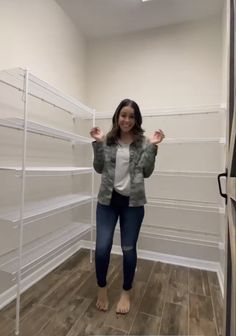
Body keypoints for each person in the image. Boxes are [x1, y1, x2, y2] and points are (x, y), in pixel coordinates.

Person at [90, 98, 165, 314]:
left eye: (132, 116)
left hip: (132, 204)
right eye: (124, 115)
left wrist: (152, 147)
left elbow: (147, 172)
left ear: (136, 119)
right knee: (102, 248)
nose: (127, 120)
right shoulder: (107, 140)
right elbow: (98, 167)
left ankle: (126, 291)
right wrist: (97, 142)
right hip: (107, 201)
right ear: (117, 117)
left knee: (128, 249)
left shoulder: (143, 143)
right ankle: (102, 288)